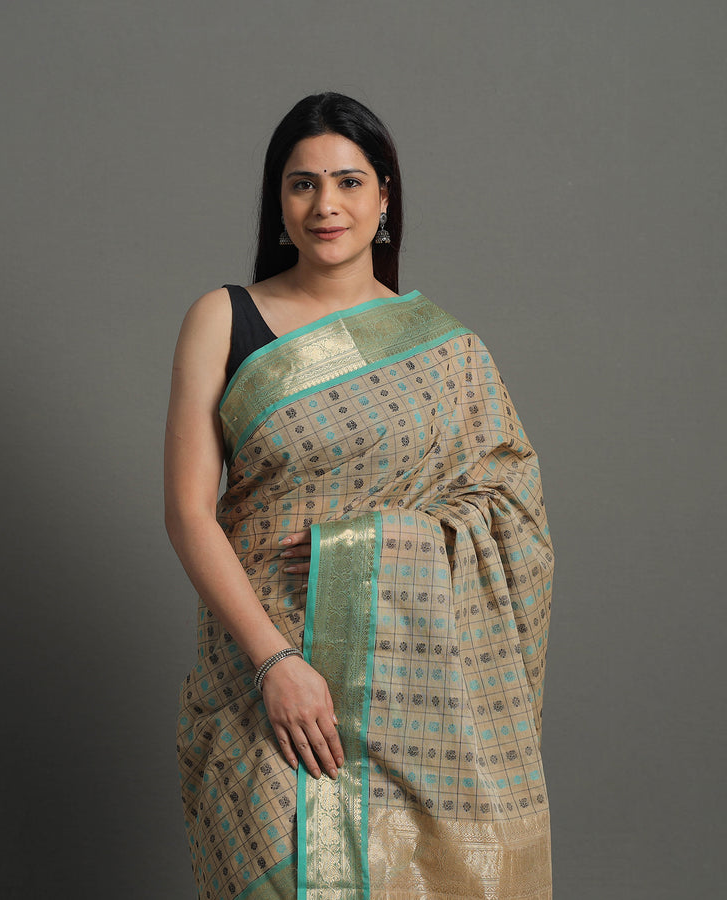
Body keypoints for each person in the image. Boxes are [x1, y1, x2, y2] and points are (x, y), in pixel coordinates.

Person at [165, 92, 554, 900]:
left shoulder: (449, 351)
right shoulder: (226, 319)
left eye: (348, 182)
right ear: (279, 202)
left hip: (417, 694)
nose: (326, 205)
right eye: (302, 184)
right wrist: (275, 662)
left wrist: (377, 549)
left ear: (384, 197)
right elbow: (188, 512)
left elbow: (511, 510)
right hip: (263, 671)